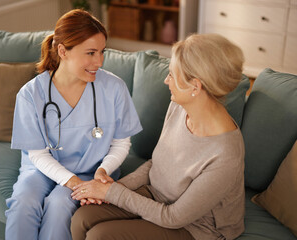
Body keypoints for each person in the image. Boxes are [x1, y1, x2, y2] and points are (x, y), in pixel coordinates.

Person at [70, 33, 246, 240]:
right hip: (158, 196)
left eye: (172, 74)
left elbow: (174, 217)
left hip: (197, 227)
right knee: (82, 217)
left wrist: (111, 194)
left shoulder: (225, 155)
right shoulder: (179, 107)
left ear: (195, 87)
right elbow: (158, 163)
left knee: (101, 236)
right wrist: (113, 188)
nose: (166, 80)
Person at [5, 9, 142, 240]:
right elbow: (37, 154)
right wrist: (73, 182)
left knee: (60, 204)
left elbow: (121, 143)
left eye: (102, 52)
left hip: (93, 171)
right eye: (90, 53)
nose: (99, 61)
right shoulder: (31, 94)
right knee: (23, 202)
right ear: (62, 51)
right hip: (42, 169)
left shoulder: (114, 88)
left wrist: (102, 171)